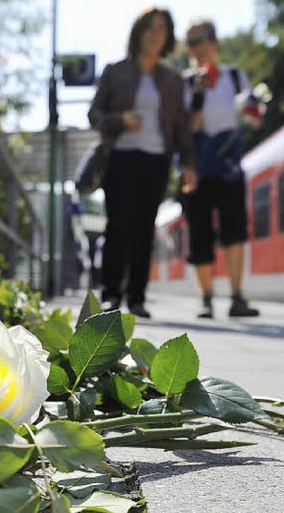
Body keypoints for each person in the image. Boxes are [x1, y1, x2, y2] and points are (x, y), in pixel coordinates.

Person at [88, 7, 195, 318]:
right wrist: (120, 119)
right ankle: (110, 295)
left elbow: (180, 127)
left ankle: (137, 298)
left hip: (156, 160)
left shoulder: (173, 80)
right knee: (118, 225)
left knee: (143, 229)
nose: (155, 33)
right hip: (121, 157)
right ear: (138, 33)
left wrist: (188, 163)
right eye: (149, 27)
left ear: (168, 37)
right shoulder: (115, 71)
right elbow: (94, 115)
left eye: (162, 28)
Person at [182, 19, 260, 318]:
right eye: (191, 43)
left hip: (229, 167)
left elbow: (252, 118)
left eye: (201, 40)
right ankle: (205, 297)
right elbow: (188, 127)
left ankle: (237, 296)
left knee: (235, 231)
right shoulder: (186, 83)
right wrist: (199, 95)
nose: (197, 48)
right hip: (197, 168)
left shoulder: (236, 77)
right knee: (199, 232)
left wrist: (254, 113)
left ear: (214, 43)